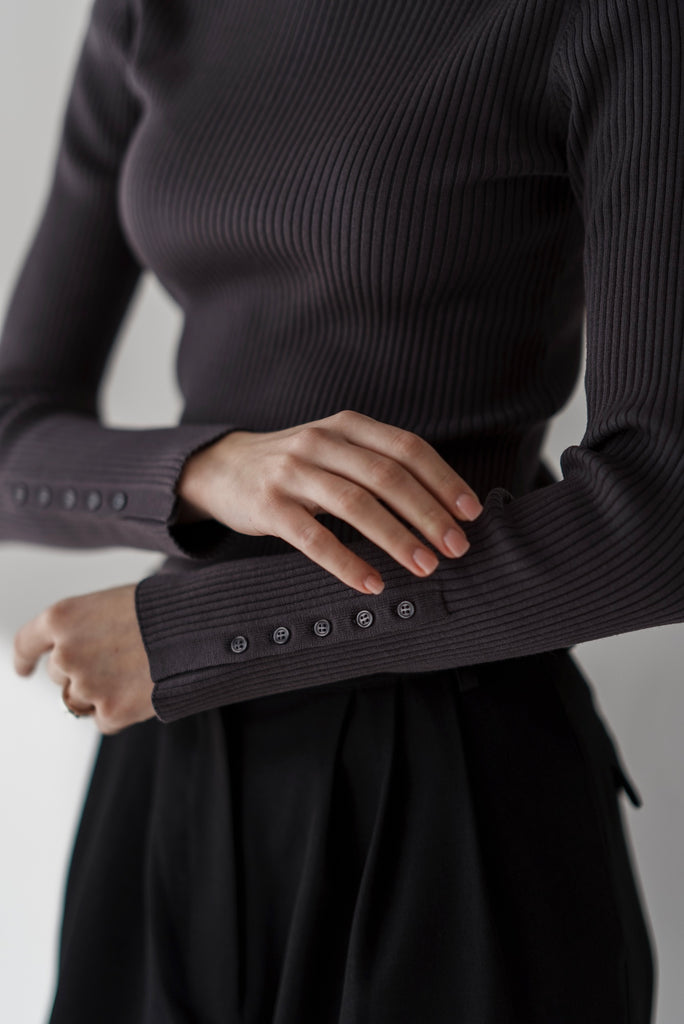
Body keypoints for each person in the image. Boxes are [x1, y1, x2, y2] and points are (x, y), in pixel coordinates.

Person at [1, 0, 680, 1020]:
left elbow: (660, 518)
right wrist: (204, 471)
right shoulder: (148, 13)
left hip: (452, 799)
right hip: (170, 777)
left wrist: (195, 637)